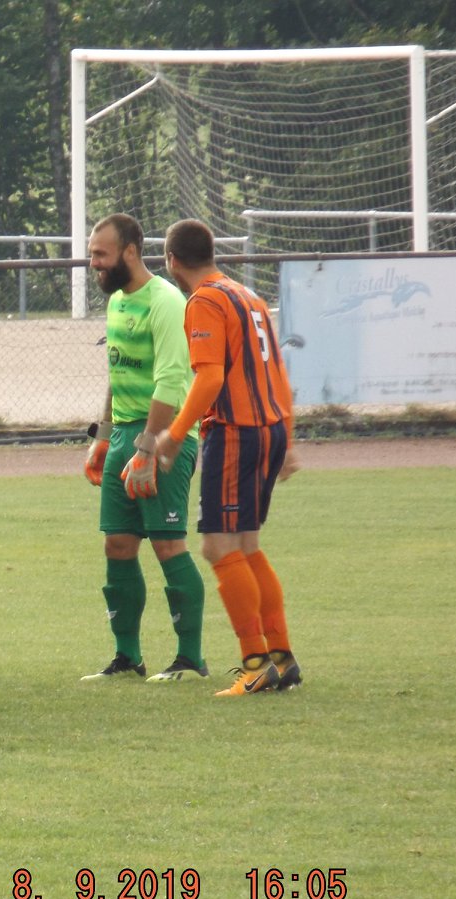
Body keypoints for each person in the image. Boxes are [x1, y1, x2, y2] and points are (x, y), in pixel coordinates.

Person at [151, 219, 303, 697]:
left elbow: (210, 378)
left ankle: (255, 663)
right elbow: (279, 371)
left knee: (219, 548)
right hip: (270, 427)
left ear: (171, 261)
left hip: (236, 432)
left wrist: (175, 435)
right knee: (246, 546)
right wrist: (289, 439)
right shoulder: (248, 296)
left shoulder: (205, 301)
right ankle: (281, 657)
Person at [79, 214, 208, 683]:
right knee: (118, 544)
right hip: (124, 437)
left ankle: (190, 660)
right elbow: (117, 375)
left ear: (130, 252)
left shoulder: (167, 301)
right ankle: (127, 657)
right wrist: (102, 438)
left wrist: (150, 447)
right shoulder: (116, 301)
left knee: (169, 545)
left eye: (101, 254)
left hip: (165, 436)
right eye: (93, 254)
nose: (94, 263)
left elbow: (172, 380)